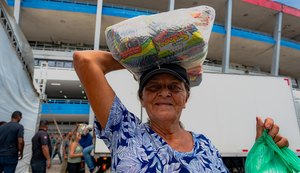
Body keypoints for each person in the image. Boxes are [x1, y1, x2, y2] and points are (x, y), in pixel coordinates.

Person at [73, 50, 289, 172]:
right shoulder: (126, 135)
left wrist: (261, 157)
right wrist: (149, 56)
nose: (164, 93)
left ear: (186, 97)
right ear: (142, 98)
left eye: (174, 87)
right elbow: (85, 61)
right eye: (154, 87)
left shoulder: (205, 146)